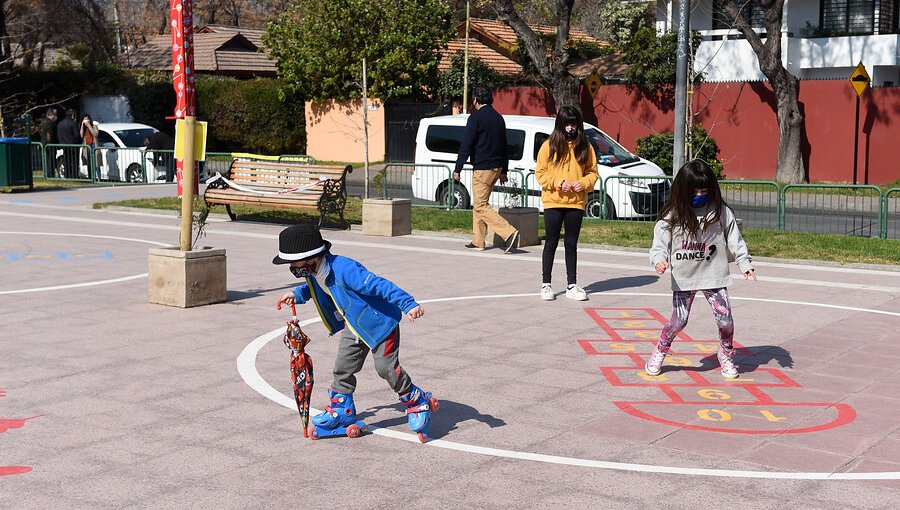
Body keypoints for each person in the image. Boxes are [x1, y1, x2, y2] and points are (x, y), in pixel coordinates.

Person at [274, 224, 438, 442]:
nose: (294, 269)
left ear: (312, 257)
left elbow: (379, 285)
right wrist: (297, 294)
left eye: (295, 265)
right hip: (354, 326)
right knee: (342, 368)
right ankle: (342, 409)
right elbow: (315, 287)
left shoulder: (344, 269)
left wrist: (408, 303)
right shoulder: (315, 271)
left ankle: (416, 401)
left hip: (381, 325)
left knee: (386, 368)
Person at [643, 159, 756, 380]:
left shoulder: (720, 212)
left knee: (726, 321)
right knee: (679, 321)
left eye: (705, 190)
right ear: (684, 190)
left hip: (714, 274)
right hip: (685, 276)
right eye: (695, 190)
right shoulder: (673, 215)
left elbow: (735, 238)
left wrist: (745, 263)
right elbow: (659, 243)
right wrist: (659, 260)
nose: (700, 195)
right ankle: (660, 349)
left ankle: (726, 353)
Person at [535, 106, 598, 302]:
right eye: (567, 123)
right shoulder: (549, 146)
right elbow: (541, 173)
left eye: (573, 124)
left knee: (571, 244)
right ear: (560, 124)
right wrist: (556, 183)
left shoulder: (586, 147)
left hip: (576, 203)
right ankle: (546, 284)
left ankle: (572, 284)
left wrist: (583, 184)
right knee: (551, 243)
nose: (570, 127)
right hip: (553, 201)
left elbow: (593, 172)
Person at [454, 86, 519, 253]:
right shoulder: (499, 118)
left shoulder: (475, 118)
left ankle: (509, 232)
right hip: (496, 167)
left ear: (476, 100)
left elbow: (466, 145)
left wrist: (458, 168)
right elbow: (505, 146)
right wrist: (504, 170)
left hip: (483, 168)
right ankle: (478, 241)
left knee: (481, 205)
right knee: (479, 202)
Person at [56, 109, 81, 178]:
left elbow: (58, 135)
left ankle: (66, 175)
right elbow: (77, 135)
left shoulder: (60, 123)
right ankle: (74, 176)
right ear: (72, 115)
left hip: (63, 146)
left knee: (66, 161)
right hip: (73, 146)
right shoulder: (73, 123)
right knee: (74, 162)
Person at [39, 108, 58, 176]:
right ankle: (50, 175)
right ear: (50, 115)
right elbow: (49, 134)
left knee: (47, 160)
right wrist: (50, 142)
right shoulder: (50, 123)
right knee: (51, 161)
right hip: (50, 145)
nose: (55, 116)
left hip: (44, 144)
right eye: (54, 115)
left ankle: (47, 174)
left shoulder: (43, 122)